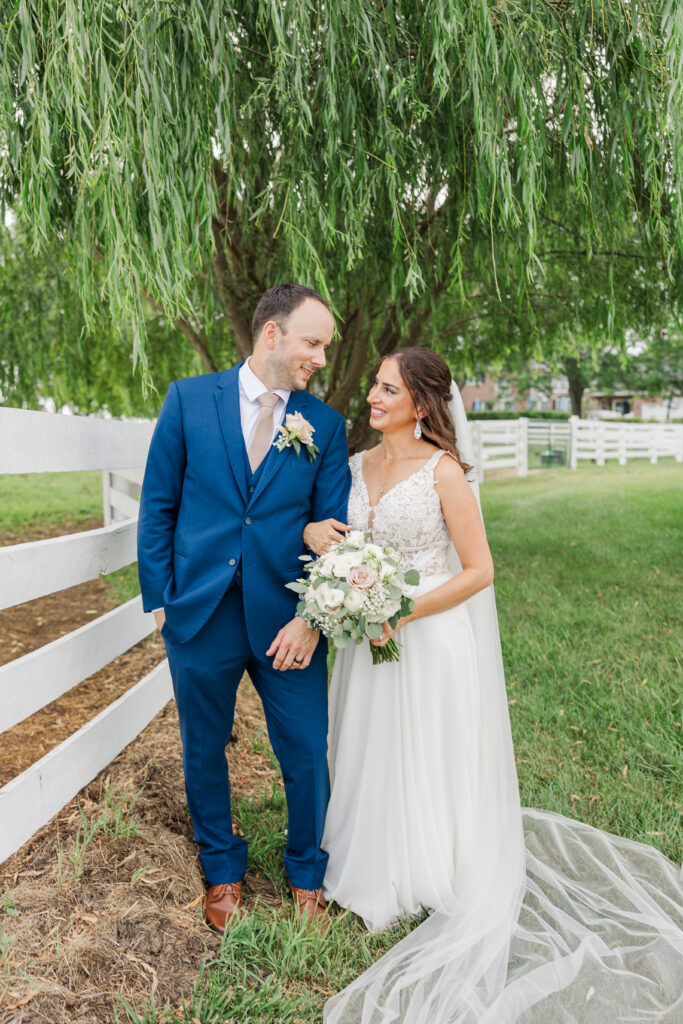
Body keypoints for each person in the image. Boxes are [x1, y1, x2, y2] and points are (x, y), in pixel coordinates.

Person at [303, 348, 682, 1023]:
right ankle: (365, 861)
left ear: (421, 405)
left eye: (387, 388)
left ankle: (423, 870)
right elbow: (332, 533)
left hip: (425, 630)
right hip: (368, 637)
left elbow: (479, 571)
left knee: (423, 748)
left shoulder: (443, 473)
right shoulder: (355, 465)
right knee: (369, 743)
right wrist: (322, 545)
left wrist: (399, 610)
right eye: (374, 385)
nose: (372, 395)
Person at [137, 283, 351, 935]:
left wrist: (312, 619)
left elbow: (333, 530)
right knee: (203, 746)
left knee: (307, 750)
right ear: (271, 335)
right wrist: (161, 600)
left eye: (325, 347)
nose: (320, 358)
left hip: (287, 619)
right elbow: (158, 507)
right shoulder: (187, 401)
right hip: (198, 612)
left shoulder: (323, 426)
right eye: (312, 343)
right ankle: (222, 869)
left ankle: (306, 875)